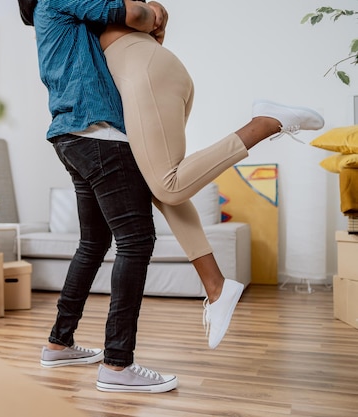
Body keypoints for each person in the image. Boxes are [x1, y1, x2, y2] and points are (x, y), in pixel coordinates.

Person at [97, 3, 324, 349]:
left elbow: (143, 11)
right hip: (152, 68)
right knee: (161, 187)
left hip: (142, 72)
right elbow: (153, 10)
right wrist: (155, 17)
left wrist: (149, 16)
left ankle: (263, 124)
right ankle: (217, 288)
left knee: (168, 184)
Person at [18, 0, 179, 394]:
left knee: (93, 243)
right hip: (98, 132)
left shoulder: (49, 9)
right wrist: (155, 16)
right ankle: (118, 365)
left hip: (73, 133)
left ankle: (60, 342)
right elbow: (140, 15)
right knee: (136, 241)